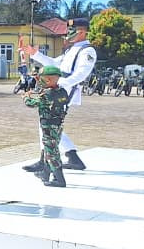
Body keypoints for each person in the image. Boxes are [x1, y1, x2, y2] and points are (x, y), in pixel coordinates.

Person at [18, 17, 97, 171]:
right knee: (49, 124)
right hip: (57, 89)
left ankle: (46, 160)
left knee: (48, 124)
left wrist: (60, 83)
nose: (67, 33)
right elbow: (55, 64)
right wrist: (35, 54)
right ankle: (70, 157)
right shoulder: (72, 49)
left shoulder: (87, 51)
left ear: (81, 32)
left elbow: (81, 74)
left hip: (63, 92)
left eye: (71, 30)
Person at [24, 64, 70, 188]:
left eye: (42, 79)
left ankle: (59, 179)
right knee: (50, 149)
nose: (40, 81)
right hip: (58, 125)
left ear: (48, 80)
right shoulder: (62, 91)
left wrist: (26, 97)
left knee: (52, 153)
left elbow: (31, 103)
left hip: (49, 126)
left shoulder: (47, 95)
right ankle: (45, 173)